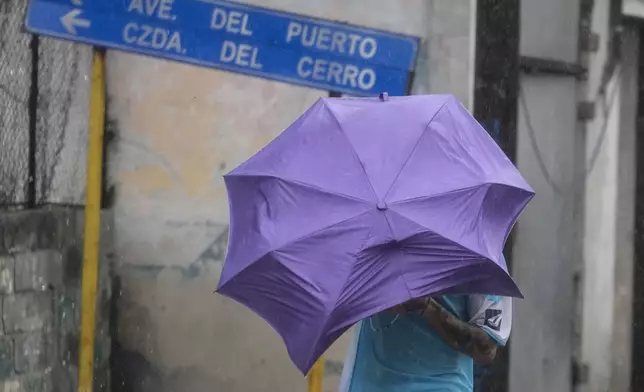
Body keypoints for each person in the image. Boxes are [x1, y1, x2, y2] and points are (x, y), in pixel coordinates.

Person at [338, 285, 511, 391]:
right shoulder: (378, 238)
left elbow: (486, 349)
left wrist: (427, 307)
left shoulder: (479, 248)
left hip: (440, 386)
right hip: (369, 383)